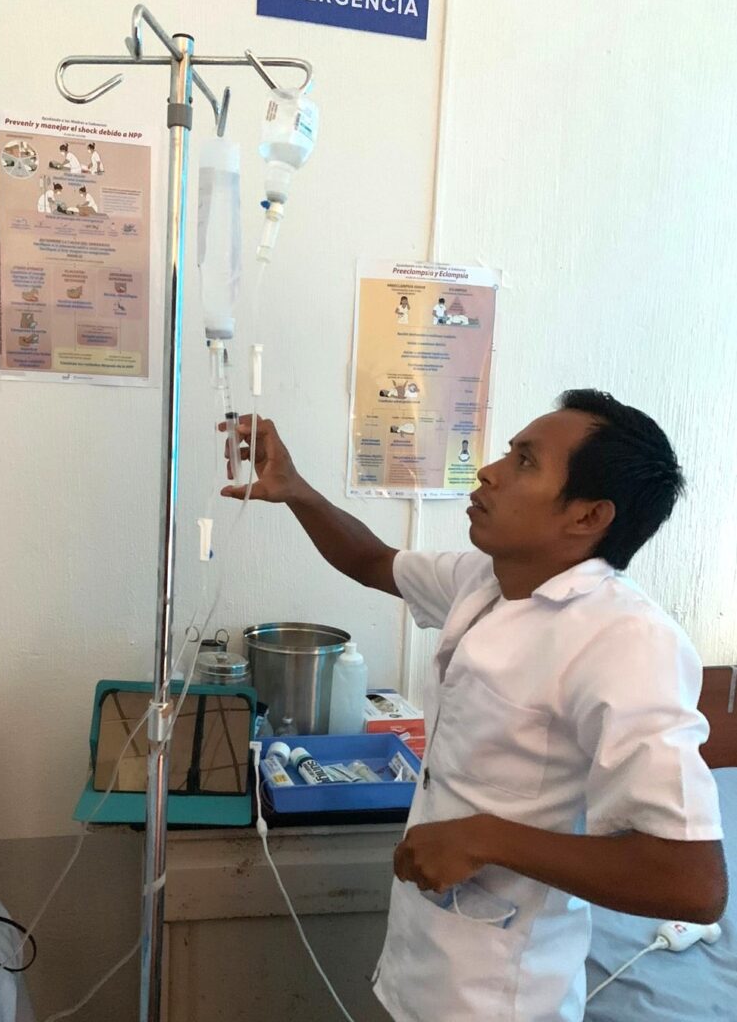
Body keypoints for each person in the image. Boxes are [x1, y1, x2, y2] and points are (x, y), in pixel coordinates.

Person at [220, 390, 726, 1022]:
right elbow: (373, 560)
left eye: (524, 462)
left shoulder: (626, 641)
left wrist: (486, 838)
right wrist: (297, 490)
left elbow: (691, 882)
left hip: (502, 996)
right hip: (424, 960)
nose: (489, 470)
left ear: (588, 515)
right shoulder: (487, 579)